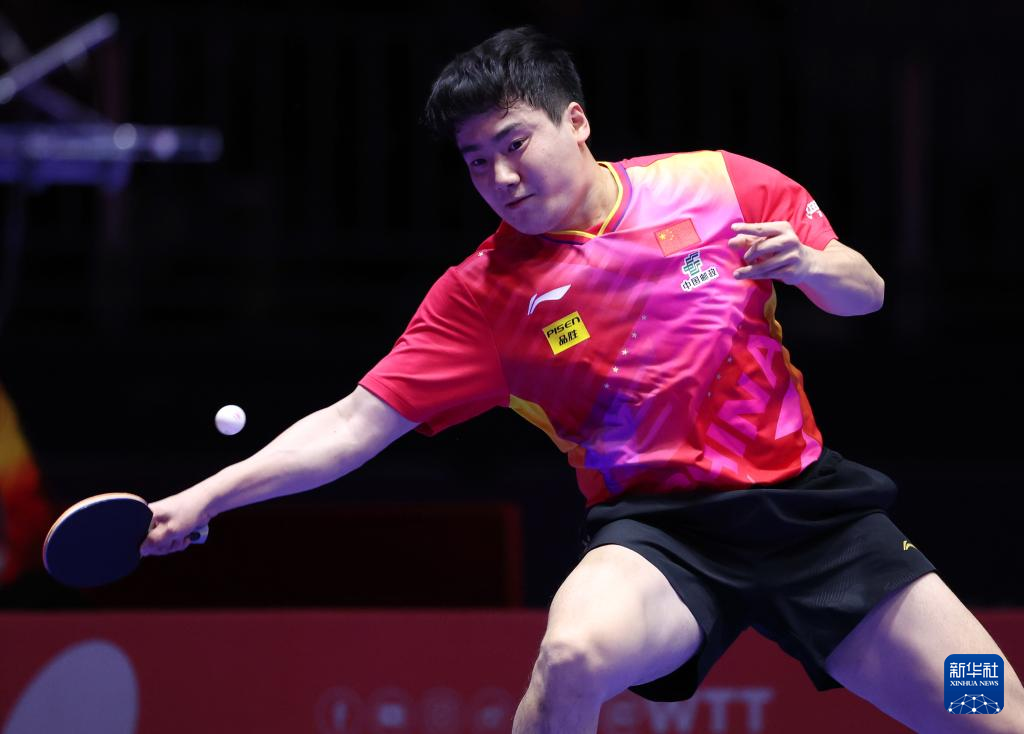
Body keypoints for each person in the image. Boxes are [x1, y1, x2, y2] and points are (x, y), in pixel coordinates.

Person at [142, 26, 1023, 733]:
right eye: (476, 161)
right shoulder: (483, 295)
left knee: (995, 709)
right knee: (572, 655)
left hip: (817, 521)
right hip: (662, 540)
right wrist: (206, 498)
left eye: (515, 143)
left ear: (577, 121)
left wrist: (811, 265)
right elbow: (349, 426)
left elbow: (866, 292)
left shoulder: (719, 185)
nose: (500, 176)